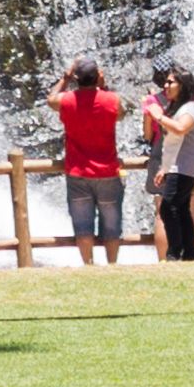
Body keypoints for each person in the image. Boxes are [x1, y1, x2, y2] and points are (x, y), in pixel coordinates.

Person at [52, 56, 126, 269]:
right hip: (108, 171)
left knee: (83, 225)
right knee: (112, 225)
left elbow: (51, 99)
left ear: (76, 78)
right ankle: (112, 265)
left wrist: (65, 79)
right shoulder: (111, 100)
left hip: (78, 172)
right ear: (98, 76)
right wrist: (104, 87)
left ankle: (89, 265)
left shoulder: (67, 101)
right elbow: (121, 115)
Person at [154, 72, 194, 264]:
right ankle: (189, 253)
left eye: (171, 82)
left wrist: (158, 116)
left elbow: (180, 129)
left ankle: (174, 251)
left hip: (184, 168)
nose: (166, 86)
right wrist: (165, 168)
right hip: (180, 166)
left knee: (168, 207)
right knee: (181, 209)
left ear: (183, 85)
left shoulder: (190, 110)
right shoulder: (185, 108)